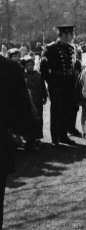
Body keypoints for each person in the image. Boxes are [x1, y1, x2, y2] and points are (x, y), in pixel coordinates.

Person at [0, 56, 34, 228]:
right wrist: (19, 131)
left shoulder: (10, 68)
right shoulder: (10, 67)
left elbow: (21, 104)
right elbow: (22, 106)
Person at [40, 25, 79, 147]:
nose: (72, 37)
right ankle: (55, 138)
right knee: (57, 111)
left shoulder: (70, 48)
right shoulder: (51, 48)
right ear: (64, 34)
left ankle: (63, 135)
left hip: (68, 83)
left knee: (66, 110)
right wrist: (52, 83)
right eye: (71, 34)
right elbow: (44, 69)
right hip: (57, 84)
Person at [22, 55, 48, 147]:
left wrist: (45, 96)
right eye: (28, 65)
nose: (30, 66)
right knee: (29, 119)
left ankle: (37, 137)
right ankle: (28, 138)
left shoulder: (38, 74)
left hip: (38, 100)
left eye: (31, 64)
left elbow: (43, 87)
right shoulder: (23, 75)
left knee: (39, 119)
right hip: (29, 101)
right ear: (25, 66)